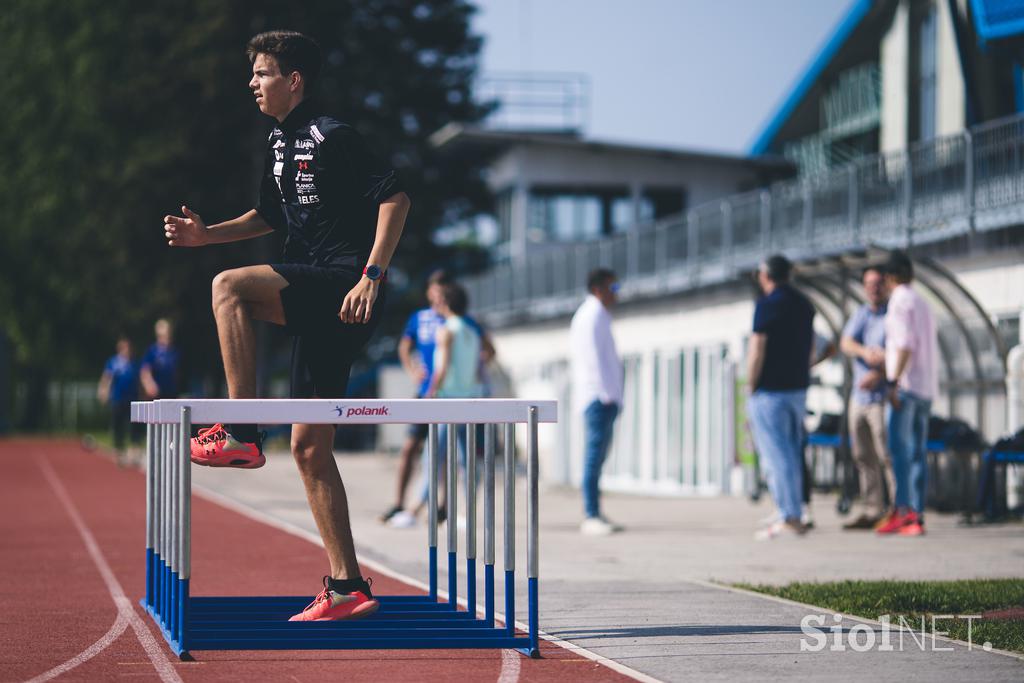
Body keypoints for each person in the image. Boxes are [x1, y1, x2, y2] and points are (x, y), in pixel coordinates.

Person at [162, 31, 410, 620]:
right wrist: (206, 235)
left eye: (262, 73)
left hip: (344, 284)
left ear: (293, 80)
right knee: (308, 448)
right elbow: (269, 217)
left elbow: (395, 197)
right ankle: (349, 587)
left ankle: (241, 428)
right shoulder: (278, 142)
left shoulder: (333, 135)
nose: (252, 82)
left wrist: (372, 274)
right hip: (318, 301)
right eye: (252, 73)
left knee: (229, 288)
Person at [381, 270, 493, 527]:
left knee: (434, 454)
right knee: (463, 457)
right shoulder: (468, 328)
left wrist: (431, 390)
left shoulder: (447, 329)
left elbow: (442, 369)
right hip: (468, 397)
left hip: (443, 399)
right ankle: (463, 512)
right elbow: (477, 362)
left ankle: (415, 509)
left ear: (447, 300)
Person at [746, 255, 815, 540]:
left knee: (777, 456)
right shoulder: (804, 304)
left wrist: (750, 385)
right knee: (792, 453)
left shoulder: (766, 305)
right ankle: (791, 510)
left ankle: (790, 516)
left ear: (766, 276)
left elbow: (757, 348)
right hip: (797, 389)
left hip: (770, 391)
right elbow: (810, 345)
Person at [876, 252, 938, 537]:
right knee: (917, 452)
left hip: (907, 387)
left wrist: (892, 382)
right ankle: (916, 513)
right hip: (926, 386)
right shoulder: (922, 302)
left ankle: (904, 510)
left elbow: (904, 344)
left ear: (890, 278)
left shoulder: (899, 302)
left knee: (900, 452)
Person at [840, 266, 895, 530]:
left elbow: (904, 351)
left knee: (887, 454)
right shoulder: (862, 314)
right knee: (862, 455)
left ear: (886, 285)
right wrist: (865, 353)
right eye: (868, 284)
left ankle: (898, 509)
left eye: (878, 283)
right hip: (859, 398)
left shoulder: (894, 314)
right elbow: (846, 342)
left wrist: (881, 371)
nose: (873, 288)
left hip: (882, 397)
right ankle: (873, 508)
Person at [570, 269, 624, 536]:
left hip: (604, 397)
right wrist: (606, 395)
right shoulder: (591, 316)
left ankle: (595, 511)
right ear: (598, 289)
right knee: (593, 457)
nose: (617, 294)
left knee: (598, 457)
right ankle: (590, 514)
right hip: (597, 397)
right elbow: (592, 360)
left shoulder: (599, 315)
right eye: (613, 288)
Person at [97, 335, 141, 466]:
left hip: (132, 400)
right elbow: (107, 378)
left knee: (134, 427)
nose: (126, 350)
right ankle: (118, 451)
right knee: (118, 426)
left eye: (128, 347)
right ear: (119, 348)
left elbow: (139, 381)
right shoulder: (113, 362)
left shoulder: (134, 363)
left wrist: (143, 394)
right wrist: (103, 391)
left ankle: (133, 451)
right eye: (124, 347)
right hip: (118, 399)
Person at [140, 319, 180, 399]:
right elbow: (145, 372)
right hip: (156, 395)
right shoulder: (152, 351)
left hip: (171, 393)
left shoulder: (174, 351)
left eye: (168, 334)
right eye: (163, 336)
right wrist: (150, 385)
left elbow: (177, 373)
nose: (167, 338)